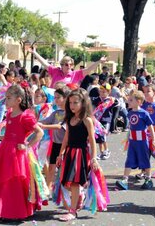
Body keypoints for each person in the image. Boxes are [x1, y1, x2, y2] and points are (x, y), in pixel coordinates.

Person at [0, 85, 44, 222]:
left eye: (8, 98)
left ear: (18, 100)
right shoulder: (10, 114)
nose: (5, 101)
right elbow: (9, 135)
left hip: (16, 154)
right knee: (2, 181)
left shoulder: (25, 117)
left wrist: (27, 146)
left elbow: (39, 133)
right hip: (5, 151)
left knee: (10, 183)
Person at [56, 89, 99, 221]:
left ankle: (73, 211)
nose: (72, 105)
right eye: (70, 103)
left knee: (74, 182)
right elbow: (66, 137)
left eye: (75, 102)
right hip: (69, 153)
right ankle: (79, 195)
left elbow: (92, 140)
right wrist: (60, 153)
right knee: (67, 182)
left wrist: (94, 158)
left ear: (83, 103)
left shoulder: (87, 120)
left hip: (80, 154)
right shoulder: (69, 119)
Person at [115, 90, 155, 190]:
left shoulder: (144, 113)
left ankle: (148, 178)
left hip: (142, 142)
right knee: (129, 159)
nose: (128, 102)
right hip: (132, 141)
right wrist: (128, 139)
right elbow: (131, 127)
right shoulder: (129, 113)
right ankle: (125, 179)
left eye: (131, 100)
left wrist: (154, 140)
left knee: (145, 159)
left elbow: (150, 126)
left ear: (139, 102)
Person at [38, 86, 70, 190]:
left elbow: (59, 126)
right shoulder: (56, 113)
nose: (55, 99)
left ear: (65, 98)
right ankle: (47, 189)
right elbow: (45, 121)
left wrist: (43, 126)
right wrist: (34, 123)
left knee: (65, 170)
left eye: (57, 97)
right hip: (56, 144)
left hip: (65, 146)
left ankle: (71, 191)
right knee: (52, 167)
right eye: (54, 97)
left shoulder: (69, 114)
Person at [28, 47, 106, 88]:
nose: (69, 66)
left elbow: (89, 69)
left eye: (71, 64)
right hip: (54, 100)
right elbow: (45, 63)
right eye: (66, 64)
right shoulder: (55, 71)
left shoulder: (75, 74)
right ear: (61, 65)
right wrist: (34, 53)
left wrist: (99, 61)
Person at [92, 83, 118, 160]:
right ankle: (101, 152)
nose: (102, 93)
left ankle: (106, 150)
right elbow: (91, 103)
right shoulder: (97, 99)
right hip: (97, 121)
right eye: (101, 91)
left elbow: (116, 103)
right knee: (99, 137)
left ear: (108, 92)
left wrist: (113, 100)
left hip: (105, 120)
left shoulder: (110, 100)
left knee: (103, 135)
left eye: (104, 92)